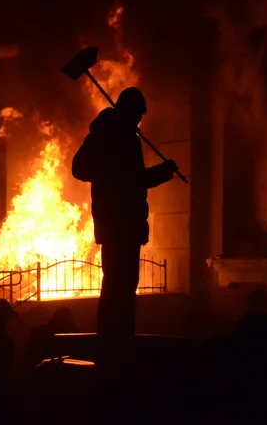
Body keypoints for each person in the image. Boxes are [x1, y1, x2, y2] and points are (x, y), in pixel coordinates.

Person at [72, 87, 178, 379]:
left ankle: (118, 344)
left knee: (122, 288)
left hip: (126, 224)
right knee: (117, 289)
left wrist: (157, 173)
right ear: (127, 111)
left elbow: (132, 180)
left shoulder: (124, 137)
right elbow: (85, 169)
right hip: (118, 223)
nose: (139, 121)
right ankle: (113, 348)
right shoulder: (107, 135)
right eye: (137, 115)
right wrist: (160, 173)